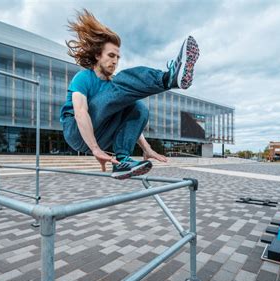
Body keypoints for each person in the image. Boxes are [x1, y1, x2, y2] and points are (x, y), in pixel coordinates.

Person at [60, 9, 199, 179]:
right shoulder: (83, 77)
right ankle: (168, 79)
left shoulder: (115, 88)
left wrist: (146, 148)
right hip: (75, 132)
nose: (115, 61)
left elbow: (129, 121)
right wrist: (95, 149)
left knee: (138, 108)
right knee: (120, 84)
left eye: (118, 57)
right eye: (111, 55)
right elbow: (80, 112)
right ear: (97, 55)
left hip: (100, 134)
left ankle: (122, 162)